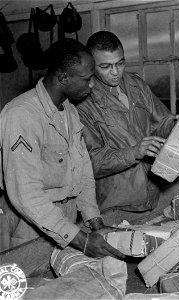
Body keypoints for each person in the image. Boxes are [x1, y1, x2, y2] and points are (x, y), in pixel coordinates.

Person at [0, 38, 125, 260]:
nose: (92, 85)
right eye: (87, 79)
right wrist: (82, 241)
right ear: (64, 78)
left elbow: (83, 171)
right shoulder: (21, 115)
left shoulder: (68, 110)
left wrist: (95, 223)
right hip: (28, 224)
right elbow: (26, 195)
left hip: (65, 221)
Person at [77, 31, 176, 213]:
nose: (115, 73)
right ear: (91, 65)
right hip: (116, 203)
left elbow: (161, 123)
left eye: (120, 63)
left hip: (151, 194)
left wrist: (177, 126)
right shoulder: (83, 101)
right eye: (106, 66)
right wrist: (134, 152)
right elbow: (92, 162)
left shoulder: (136, 84)